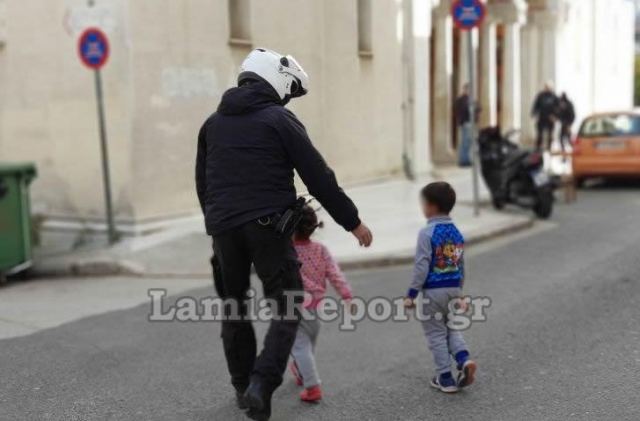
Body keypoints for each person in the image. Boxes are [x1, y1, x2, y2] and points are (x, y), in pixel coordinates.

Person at [196, 48, 373, 421]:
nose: (287, 96)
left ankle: (244, 386)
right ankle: (262, 383)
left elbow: (203, 183)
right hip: (268, 227)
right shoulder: (279, 120)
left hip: (224, 230)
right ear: (274, 79)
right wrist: (352, 221)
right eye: (288, 89)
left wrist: (216, 227)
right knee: (288, 306)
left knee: (234, 306)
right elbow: (318, 177)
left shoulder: (212, 124)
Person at [404, 182, 477, 394]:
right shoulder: (456, 233)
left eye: (424, 203)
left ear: (432, 207)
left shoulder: (426, 233)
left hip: (433, 292)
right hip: (453, 288)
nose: (422, 207)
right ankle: (463, 360)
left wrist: (411, 294)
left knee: (435, 334)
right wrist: (460, 293)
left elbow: (421, 266)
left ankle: (445, 378)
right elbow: (461, 266)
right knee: (452, 327)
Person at [288, 206, 354, 403]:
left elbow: (295, 277)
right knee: (308, 344)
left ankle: (313, 387)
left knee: (300, 347)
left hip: (297, 305)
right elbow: (334, 273)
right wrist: (346, 294)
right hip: (316, 307)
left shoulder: (289, 253)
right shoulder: (320, 249)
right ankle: (301, 370)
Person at [531, 82, 559, 151]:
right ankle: (538, 148)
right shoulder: (540, 96)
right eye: (546, 87)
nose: (547, 88)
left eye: (548, 87)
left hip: (550, 119)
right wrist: (534, 114)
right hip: (542, 117)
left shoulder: (554, 97)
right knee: (540, 134)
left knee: (550, 134)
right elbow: (536, 106)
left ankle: (549, 148)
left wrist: (555, 116)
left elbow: (558, 108)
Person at [454, 84, 474, 167]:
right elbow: (460, 109)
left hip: (469, 122)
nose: (468, 91)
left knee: (468, 142)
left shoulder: (469, 99)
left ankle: (466, 159)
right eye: (467, 89)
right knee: (465, 142)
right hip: (465, 122)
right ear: (465, 90)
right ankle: (463, 160)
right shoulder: (462, 99)